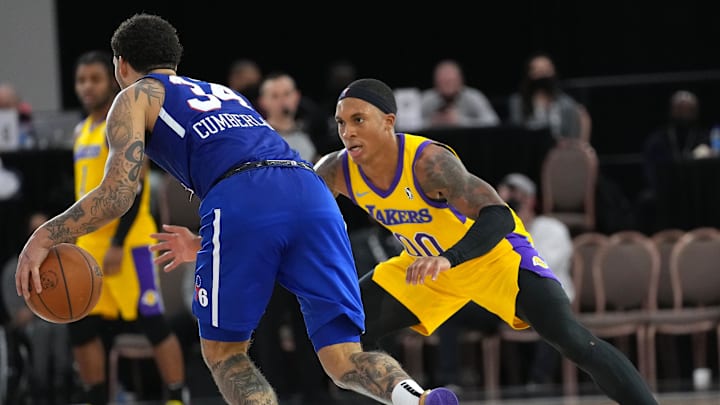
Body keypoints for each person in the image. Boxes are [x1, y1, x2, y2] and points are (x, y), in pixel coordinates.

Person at [15, 14, 457, 405]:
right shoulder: (223, 93)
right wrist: (210, 243)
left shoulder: (134, 97)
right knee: (344, 356)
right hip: (309, 190)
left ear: (120, 65)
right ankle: (414, 398)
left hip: (242, 195)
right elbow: (265, 182)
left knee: (225, 352)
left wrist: (45, 236)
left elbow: (119, 192)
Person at [151, 78, 660, 404]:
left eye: (358, 120)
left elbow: (499, 217)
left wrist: (449, 256)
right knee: (347, 339)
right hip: (421, 269)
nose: (347, 131)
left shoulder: (428, 161)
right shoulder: (335, 171)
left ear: (388, 122)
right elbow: (277, 216)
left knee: (575, 340)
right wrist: (208, 242)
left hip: (491, 258)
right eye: (340, 122)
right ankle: (414, 399)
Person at [68, 49, 188, 405]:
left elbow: (135, 192)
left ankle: (176, 397)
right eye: (81, 80)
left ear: (111, 80)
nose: (88, 87)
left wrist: (119, 242)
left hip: (130, 243)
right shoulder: (81, 130)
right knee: (82, 327)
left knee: (152, 323)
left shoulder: (121, 123)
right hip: (91, 247)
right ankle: (95, 397)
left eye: (95, 79)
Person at [496, 172, 574, 388]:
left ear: (530, 200)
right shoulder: (498, 232)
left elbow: (541, 267)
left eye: (515, 199)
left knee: (547, 311)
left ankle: (539, 382)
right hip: (510, 299)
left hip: (550, 295)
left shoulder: (552, 229)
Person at [507, 52, 590, 141]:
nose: (542, 74)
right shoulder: (518, 102)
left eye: (546, 70)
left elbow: (574, 137)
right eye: (537, 70)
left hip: (560, 150)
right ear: (529, 73)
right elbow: (517, 133)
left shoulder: (567, 103)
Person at [419, 59, 499, 129]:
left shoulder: (473, 96)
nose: (447, 86)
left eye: (451, 81)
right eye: (443, 82)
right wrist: (432, 122)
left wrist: (460, 121)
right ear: (435, 82)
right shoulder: (427, 98)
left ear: (460, 80)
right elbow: (411, 124)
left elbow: (493, 122)